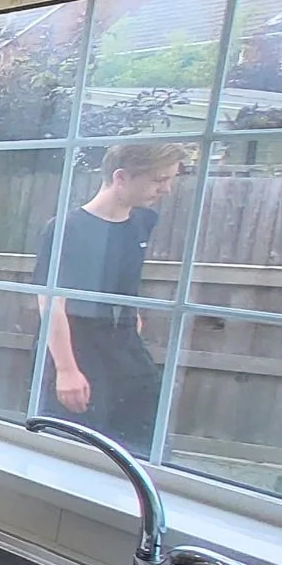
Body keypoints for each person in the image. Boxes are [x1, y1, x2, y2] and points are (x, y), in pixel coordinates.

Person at [37, 141, 186, 450]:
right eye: (159, 180)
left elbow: (123, 281)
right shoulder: (68, 228)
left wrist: (133, 324)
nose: (167, 189)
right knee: (77, 443)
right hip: (78, 348)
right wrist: (66, 370)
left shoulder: (143, 222)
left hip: (126, 348)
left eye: (171, 179)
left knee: (145, 440)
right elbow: (50, 302)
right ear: (121, 178)